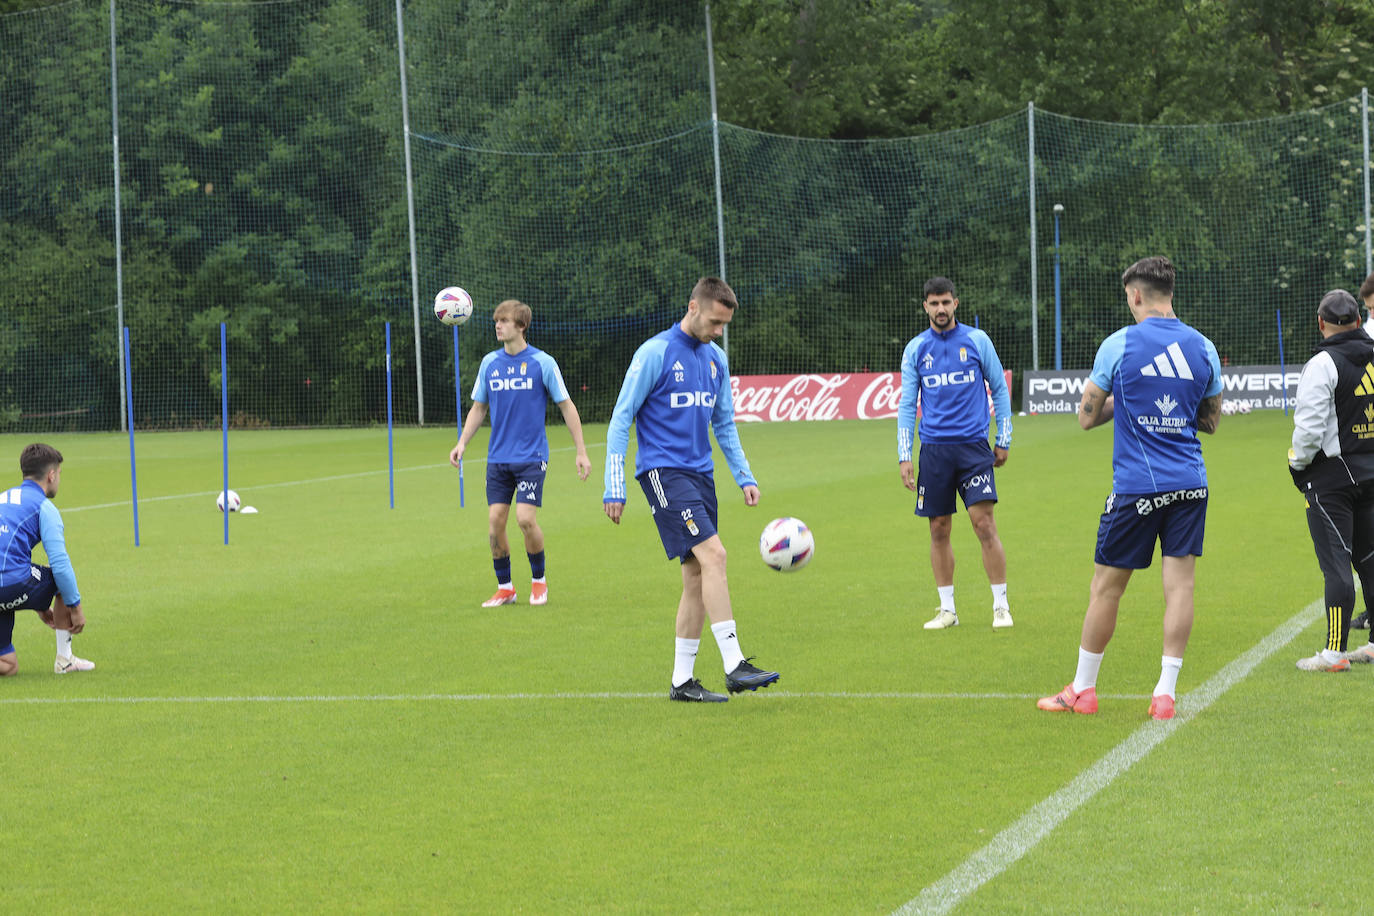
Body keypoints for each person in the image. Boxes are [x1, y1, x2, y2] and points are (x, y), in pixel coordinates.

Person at [1038, 256, 1222, 720]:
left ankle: (1082, 689)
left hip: (1137, 488)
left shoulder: (1118, 344)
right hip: (1190, 483)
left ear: (1135, 294)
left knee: (1107, 589)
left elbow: (1085, 417)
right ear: (1170, 292)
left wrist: (1125, 401)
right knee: (1180, 587)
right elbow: (1210, 420)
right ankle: (1165, 693)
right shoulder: (1203, 347)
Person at [602, 276, 779, 703]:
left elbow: (724, 424)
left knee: (696, 574)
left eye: (724, 325)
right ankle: (734, 664)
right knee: (715, 555)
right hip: (664, 473)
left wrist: (745, 475)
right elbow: (621, 417)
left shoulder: (716, 360)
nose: (719, 331)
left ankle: (682, 682)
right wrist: (614, 484)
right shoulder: (656, 352)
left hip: (700, 476)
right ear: (693, 307)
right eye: (715, 322)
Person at [450, 299, 592, 607]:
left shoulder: (543, 363)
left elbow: (566, 406)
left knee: (525, 519)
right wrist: (462, 443)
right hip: (498, 459)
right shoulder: (490, 363)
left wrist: (581, 451)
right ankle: (506, 588)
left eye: (504, 321)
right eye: (496, 321)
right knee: (495, 521)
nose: (498, 326)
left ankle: (539, 582)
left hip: (531, 456)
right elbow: (479, 407)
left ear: (521, 326)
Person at [897, 276, 1014, 631]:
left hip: (973, 448)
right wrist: (904, 454)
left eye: (946, 302)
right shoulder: (916, 349)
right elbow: (907, 404)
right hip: (933, 451)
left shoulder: (977, 341)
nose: (941, 309)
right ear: (925, 307)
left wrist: (1003, 438)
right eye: (934, 303)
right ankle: (947, 609)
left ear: (956, 304)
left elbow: (1000, 388)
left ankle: (1000, 606)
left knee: (984, 524)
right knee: (938, 529)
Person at [1288, 289, 1374, 670]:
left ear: (1321, 323)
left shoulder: (1323, 363)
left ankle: (1335, 652)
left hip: (1333, 479)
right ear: (1358, 319)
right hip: (1372, 470)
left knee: (1336, 564)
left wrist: (1297, 465)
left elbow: (1308, 431)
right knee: (1370, 559)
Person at [0, 443, 92, 677]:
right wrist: (76, 607)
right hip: (10, 585)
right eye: (59, 473)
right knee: (61, 584)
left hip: (7, 588)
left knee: (8, 666)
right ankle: (65, 660)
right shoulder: (44, 507)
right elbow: (60, 567)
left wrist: (40, 603)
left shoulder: (3, 498)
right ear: (51, 475)